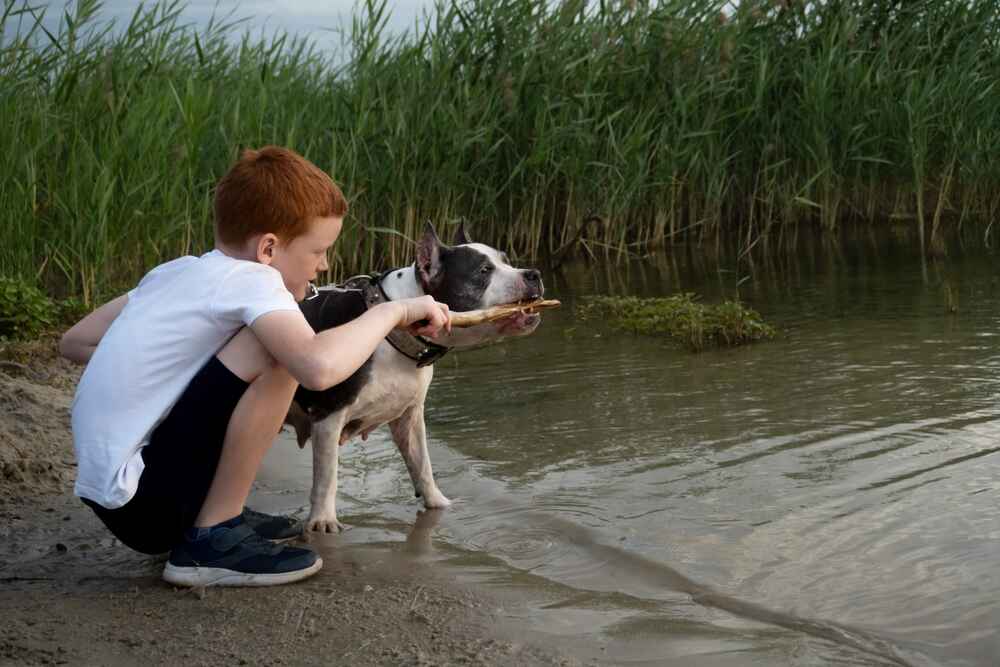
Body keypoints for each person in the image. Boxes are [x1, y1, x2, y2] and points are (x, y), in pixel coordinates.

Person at [59, 146, 451, 587]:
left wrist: (178, 373)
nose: (324, 265)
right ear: (268, 248)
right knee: (274, 350)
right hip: (148, 502)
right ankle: (212, 536)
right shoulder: (255, 282)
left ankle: (209, 510)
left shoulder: (176, 272)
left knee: (255, 345)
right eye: (319, 251)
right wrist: (394, 312)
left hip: (117, 492)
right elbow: (317, 369)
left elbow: (75, 342)